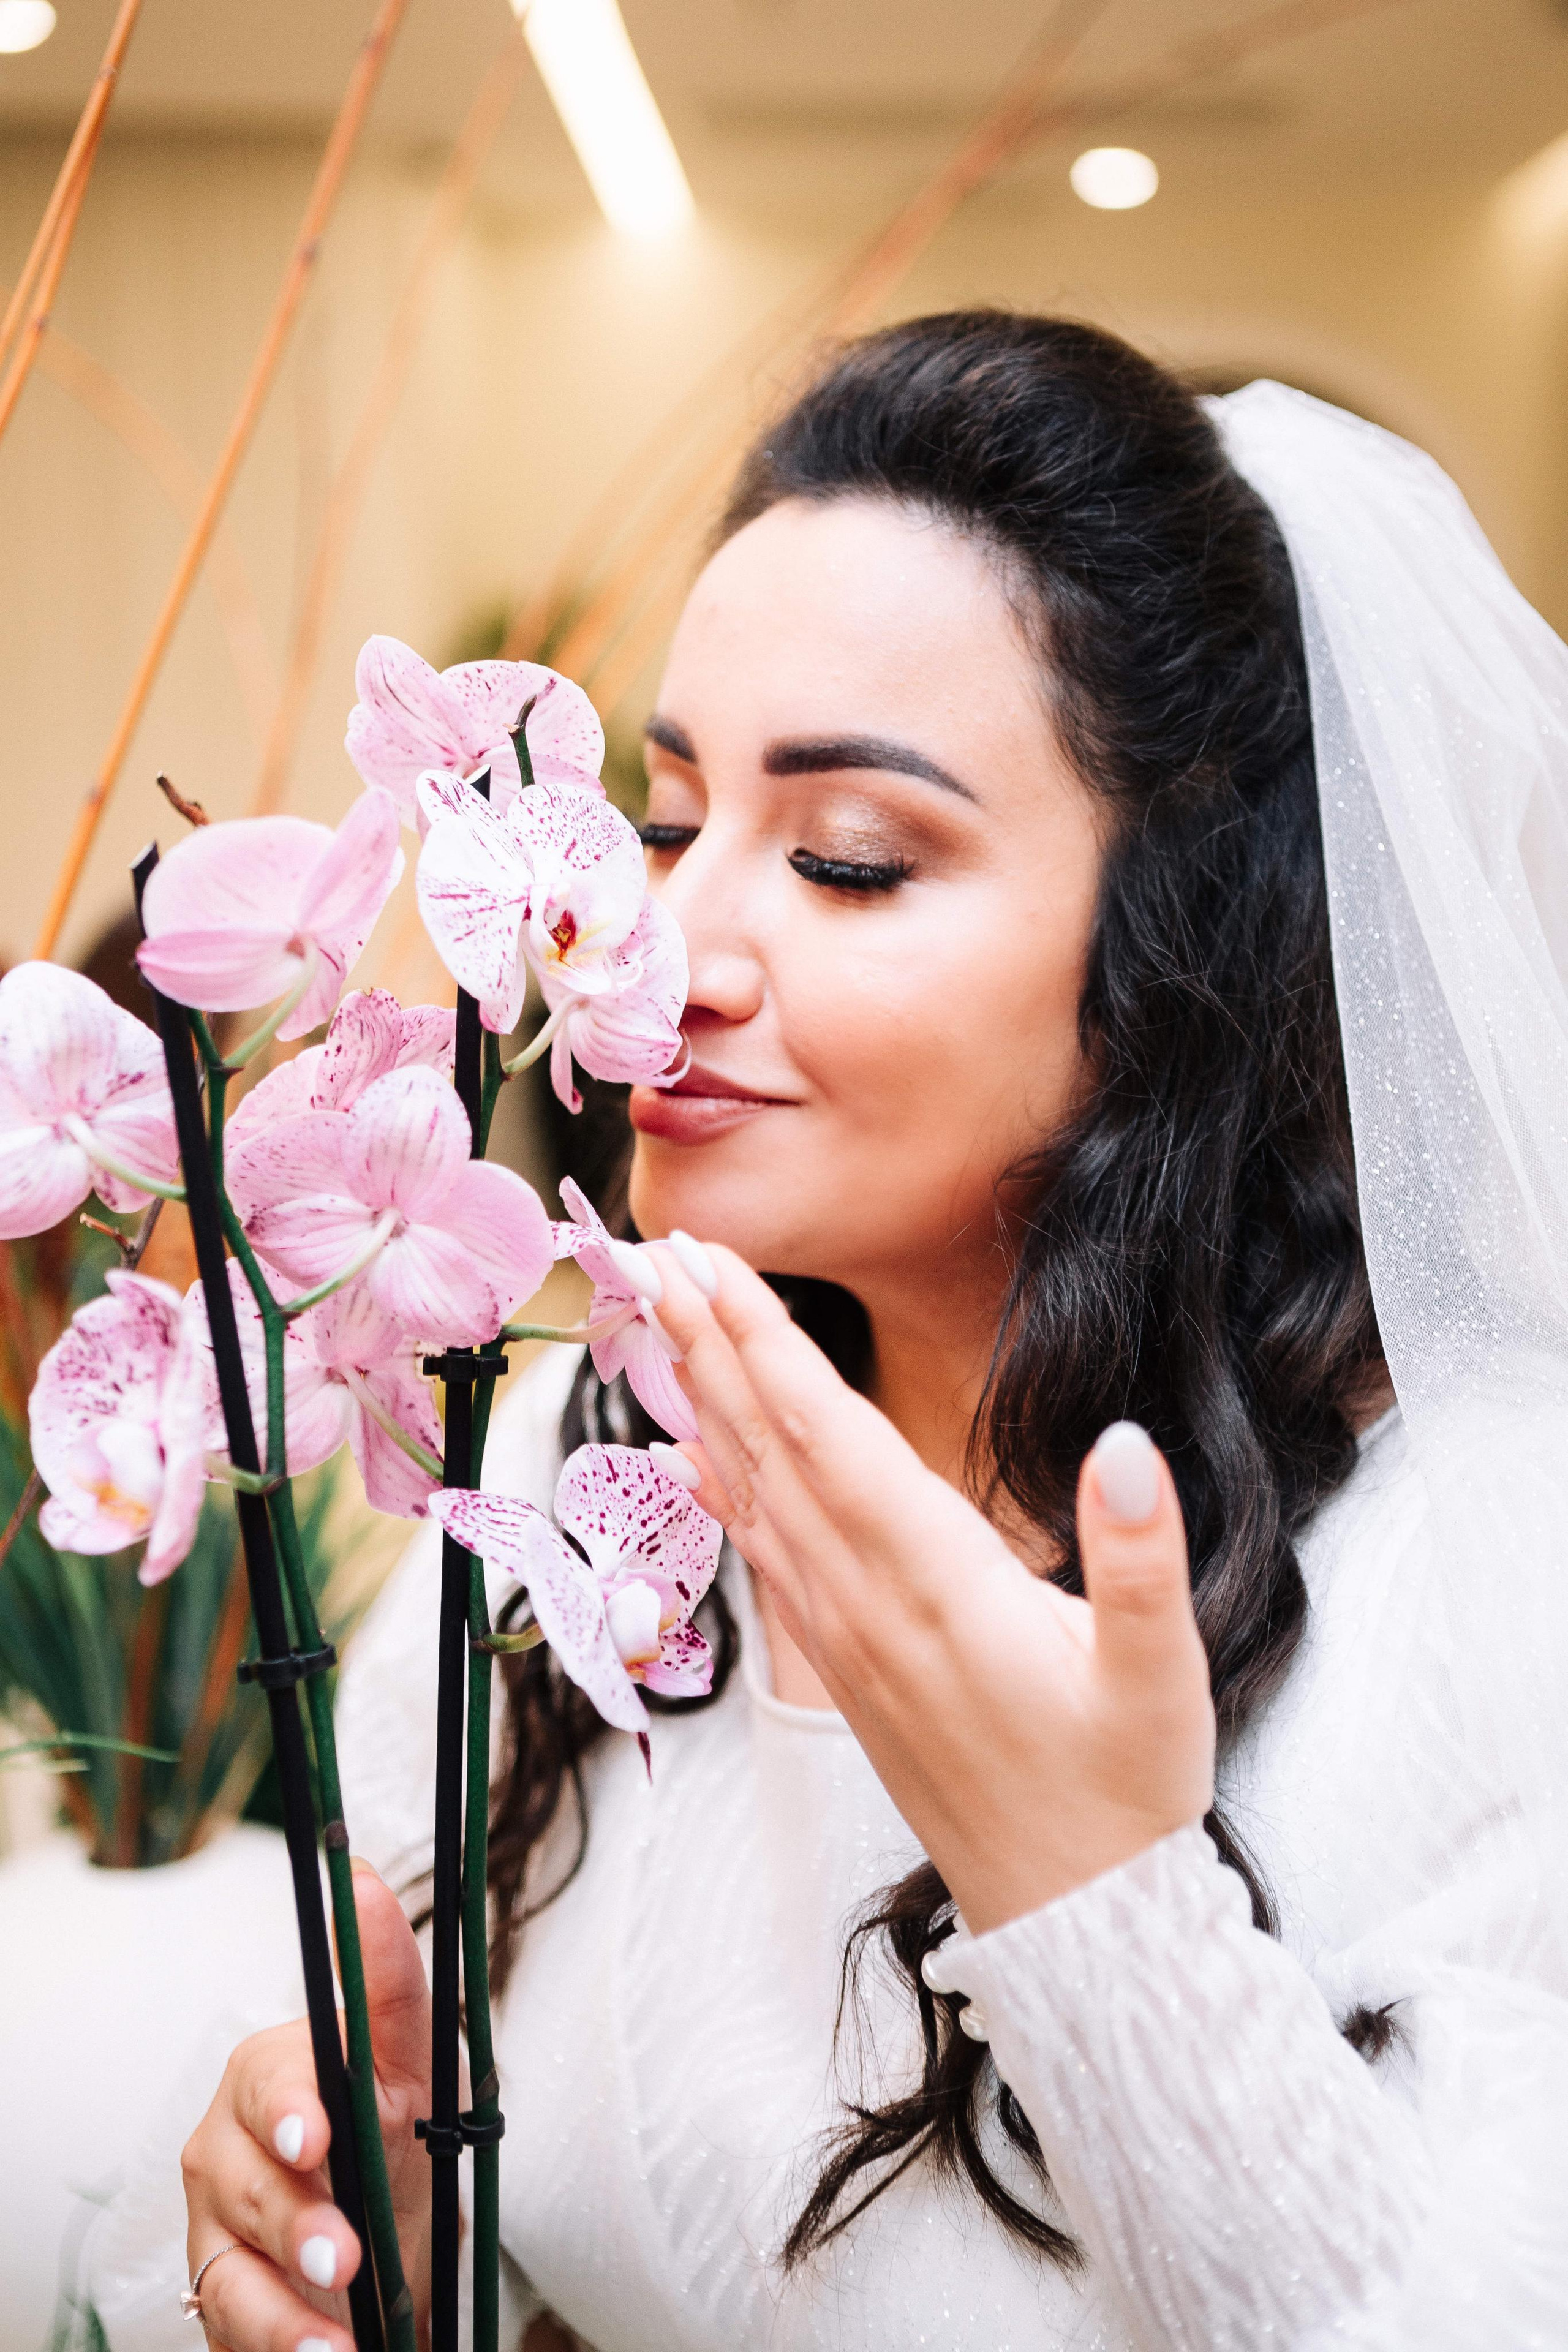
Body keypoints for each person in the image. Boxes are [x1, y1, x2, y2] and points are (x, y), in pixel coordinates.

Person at [121, 314, 1568, 2349]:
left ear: (1177, 950)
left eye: (847, 860)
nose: (660, 947)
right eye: (665, 818)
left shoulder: (1491, 1577)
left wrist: (1094, 1904)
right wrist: (405, 2261)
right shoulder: (564, 1473)